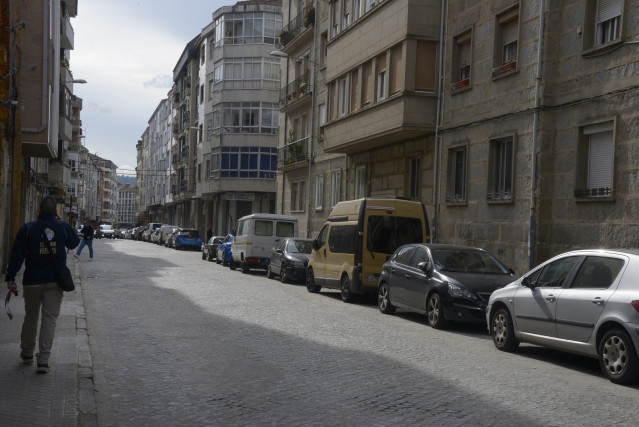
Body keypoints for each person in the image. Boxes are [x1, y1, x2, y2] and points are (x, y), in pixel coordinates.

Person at [4, 196, 80, 374]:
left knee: (31, 317)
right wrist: (62, 224)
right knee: (49, 320)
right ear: (56, 212)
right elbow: (74, 242)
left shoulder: (27, 228)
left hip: (32, 281)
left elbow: (17, 255)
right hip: (54, 282)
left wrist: (10, 277)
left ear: (38, 210)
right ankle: (43, 360)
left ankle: (27, 354)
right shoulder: (61, 227)